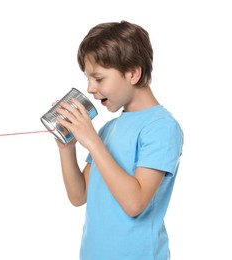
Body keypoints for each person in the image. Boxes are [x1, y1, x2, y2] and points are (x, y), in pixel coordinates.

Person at [54, 21, 183, 259]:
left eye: (99, 78)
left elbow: (135, 203)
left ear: (133, 73)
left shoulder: (162, 127)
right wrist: (67, 147)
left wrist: (92, 141)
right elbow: (79, 196)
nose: (90, 89)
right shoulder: (108, 129)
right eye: (88, 78)